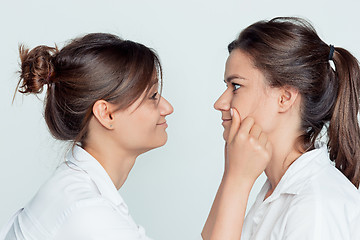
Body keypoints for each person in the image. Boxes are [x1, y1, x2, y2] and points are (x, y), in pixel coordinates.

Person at [1, 33, 173, 240]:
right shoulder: (88, 213)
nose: (167, 108)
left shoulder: (73, 190)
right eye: (152, 96)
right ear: (106, 114)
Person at [202, 17, 360, 239]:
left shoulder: (315, 206)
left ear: (284, 98)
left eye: (236, 86)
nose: (220, 103)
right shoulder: (275, 189)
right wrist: (233, 173)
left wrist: (238, 180)